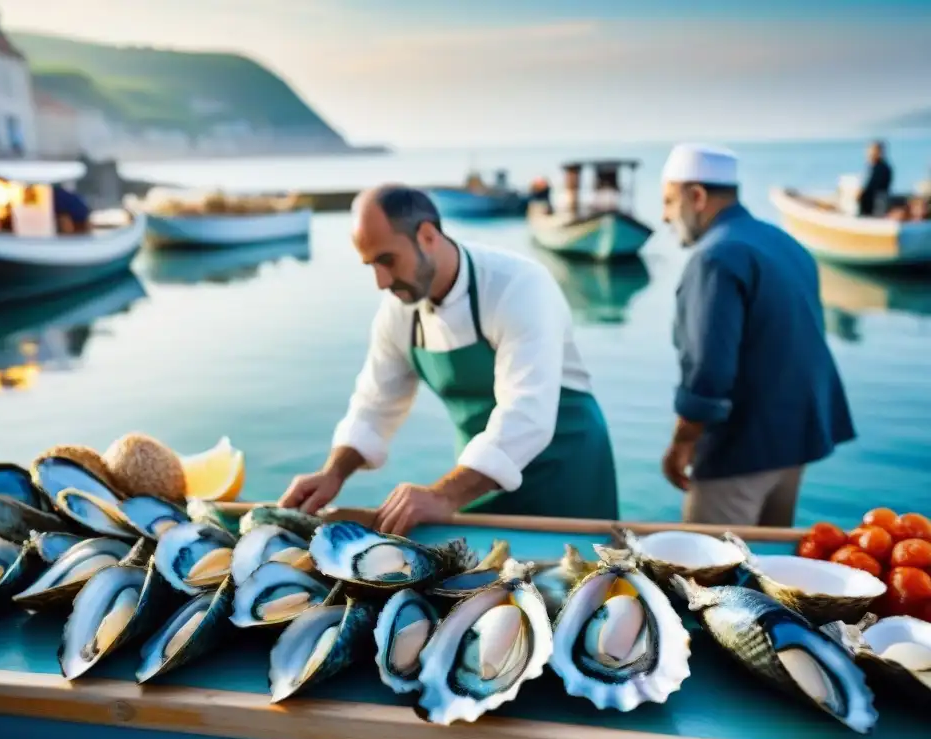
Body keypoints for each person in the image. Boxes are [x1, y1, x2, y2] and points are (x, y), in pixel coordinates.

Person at [278, 184, 619, 535]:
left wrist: (442, 496)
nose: (380, 281)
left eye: (387, 260)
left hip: (566, 472)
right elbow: (375, 404)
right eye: (370, 265)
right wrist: (333, 472)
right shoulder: (399, 311)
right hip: (475, 481)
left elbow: (527, 416)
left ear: (427, 236)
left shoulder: (519, 286)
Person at [659, 143, 856, 528]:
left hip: (740, 450)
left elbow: (708, 369)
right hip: (795, 441)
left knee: (707, 577)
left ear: (696, 196)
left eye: (668, 201)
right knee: (771, 575)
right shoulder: (784, 242)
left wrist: (683, 440)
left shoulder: (714, 257)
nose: (665, 216)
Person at [858, 140, 892, 217]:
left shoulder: (882, 168)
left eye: (872, 151)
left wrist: (860, 193)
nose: (869, 154)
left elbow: (873, 187)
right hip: (872, 203)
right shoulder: (873, 167)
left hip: (876, 205)